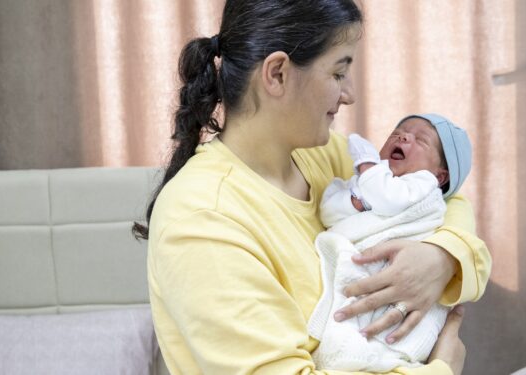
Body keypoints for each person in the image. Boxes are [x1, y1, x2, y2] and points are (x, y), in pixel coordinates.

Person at [133, 1, 492, 374]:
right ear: (277, 74)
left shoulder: (321, 157)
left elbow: (443, 196)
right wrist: (442, 368)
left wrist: (440, 257)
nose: (349, 93)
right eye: (338, 73)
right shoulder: (203, 217)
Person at [309, 114, 474, 372]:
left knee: (380, 324)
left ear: (440, 177)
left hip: (401, 269)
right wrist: (356, 201)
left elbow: (389, 199)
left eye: (421, 140)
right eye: (397, 132)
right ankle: (353, 353)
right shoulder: (370, 182)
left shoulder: (422, 185)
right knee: (353, 313)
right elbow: (329, 213)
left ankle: (370, 355)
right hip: (367, 263)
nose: (403, 136)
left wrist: (367, 167)